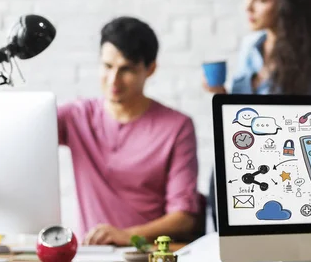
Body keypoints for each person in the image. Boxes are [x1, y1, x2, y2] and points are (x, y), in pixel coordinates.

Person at [204, 0, 311, 226]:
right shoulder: (251, 46)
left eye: (261, 0)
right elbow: (240, 114)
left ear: (287, 6)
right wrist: (222, 96)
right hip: (236, 161)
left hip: (280, 174)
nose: (248, 7)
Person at [58, 17, 203, 246]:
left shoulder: (177, 127)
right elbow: (20, 135)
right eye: (107, 66)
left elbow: (183, 218)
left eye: (126, 69)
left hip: (147, 254)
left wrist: (128, 236)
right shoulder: (75, 116)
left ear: (150, 69)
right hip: (92, 255)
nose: (113, 80)